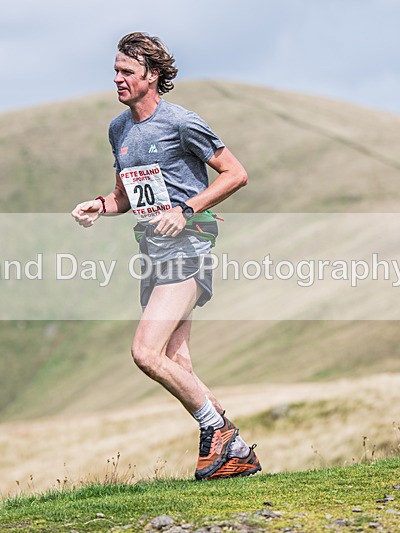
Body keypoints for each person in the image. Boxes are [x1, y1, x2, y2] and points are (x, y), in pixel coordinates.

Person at [71, 32, 259, 480]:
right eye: (115, 70)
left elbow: (237, 173)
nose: (116, 79)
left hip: (189, 246)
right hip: (152, 252)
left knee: (144, 352)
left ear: (152, 76)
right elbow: (126, 196)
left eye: (126, 72)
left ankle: (218, 435)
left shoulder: (181, 122)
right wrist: (101, 205)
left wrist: (187, 208)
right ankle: (233, 449)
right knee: (177, 362)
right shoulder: (118, 129)